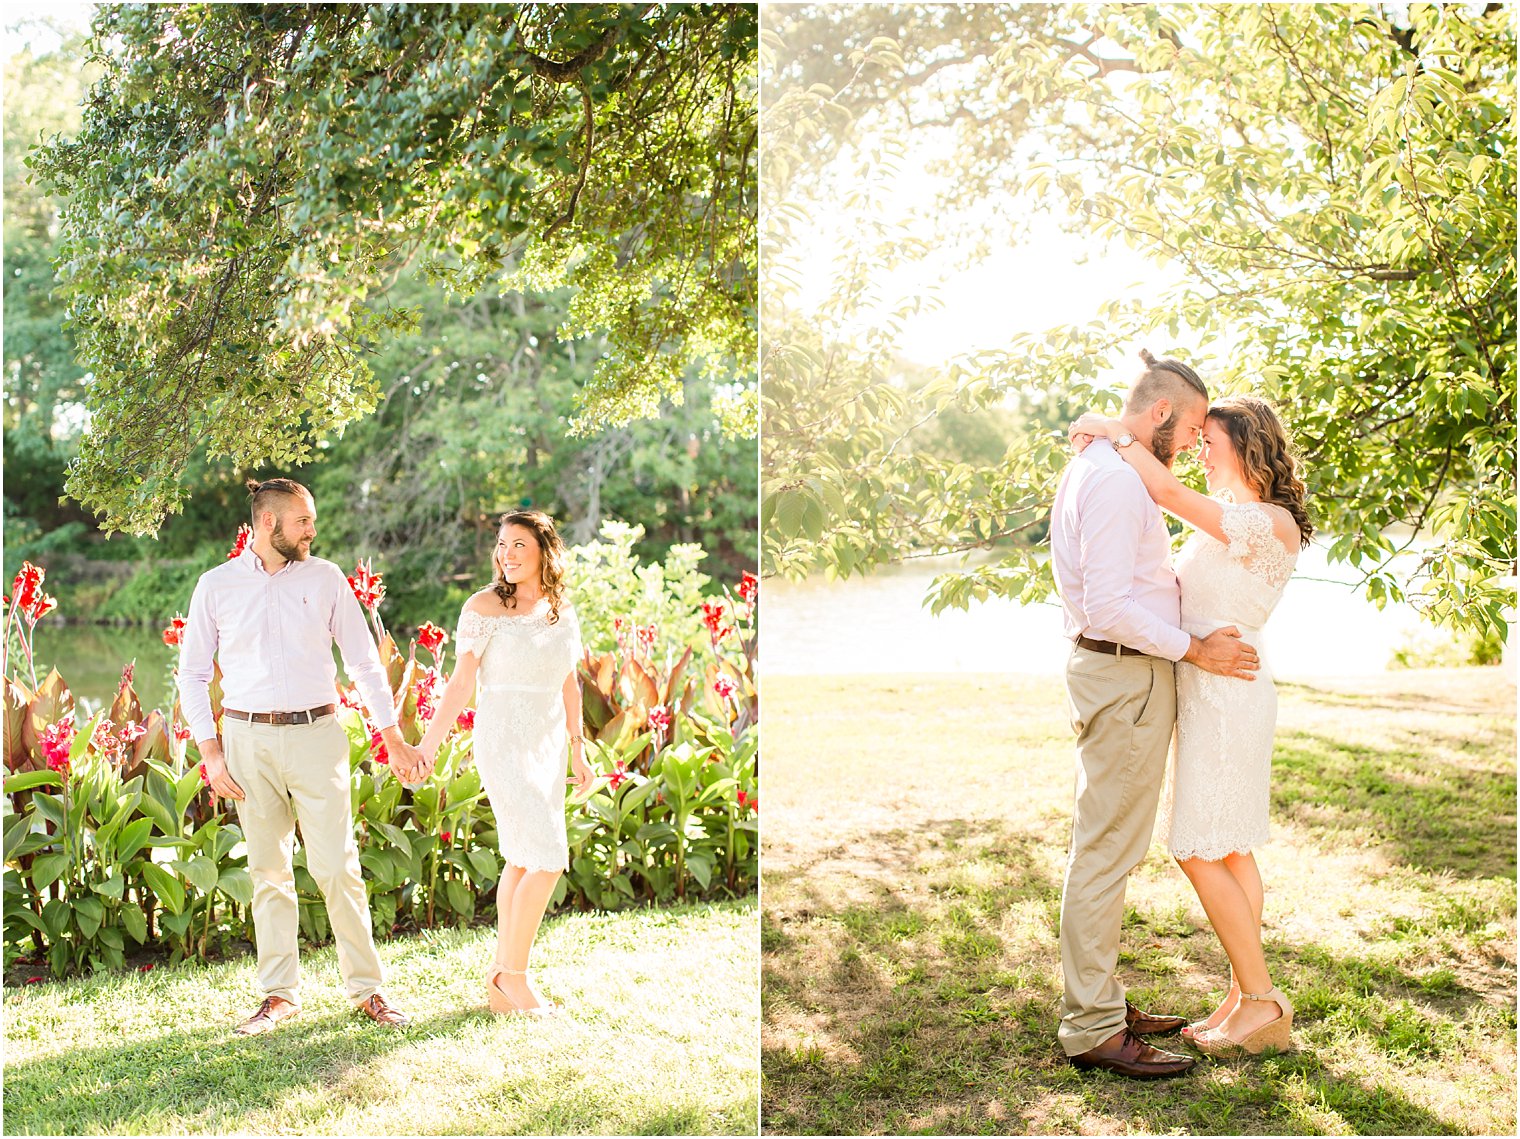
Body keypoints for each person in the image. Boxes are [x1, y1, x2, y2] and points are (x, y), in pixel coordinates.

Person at [1070, 390, 1311, 1058]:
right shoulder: (1233, 517)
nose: (1199, 447)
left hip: (1230, 695)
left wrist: (1118, 435)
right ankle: (1241, 1000)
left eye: (1210, 438)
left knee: (1199, 845)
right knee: (1230, 847)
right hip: (1209, 688)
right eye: (1197, 437)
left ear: (1246, 443)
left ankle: (1262, 1001)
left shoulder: (1268, 521)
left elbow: (1169, 495)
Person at [1047, 351, 1261, 1079]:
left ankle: (1098, 1000)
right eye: (1195, 425)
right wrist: (1194, 649)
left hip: (1121, 674)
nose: (1195, 442)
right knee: (1107, 852)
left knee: (1106, 846)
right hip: (1126, 676)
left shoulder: (1105, 466)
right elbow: (1109, 605)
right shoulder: (1110, 479)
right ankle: (1095, 1026)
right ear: (1163, 413)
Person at [180, 478, 422, 1035]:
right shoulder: (215, 586)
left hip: (318, 735)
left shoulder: (327, 578)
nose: (312, 530)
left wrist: (390, 735)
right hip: (246, 741)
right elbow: (192, 673)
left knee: (338, 866)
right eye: (302, 521)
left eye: (311, 520)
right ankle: (279, 996)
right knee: (269, 872)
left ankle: (368, 991)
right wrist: (211, 752)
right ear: (268, 523)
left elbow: (363, 662)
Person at [418, 510, 596, 1016]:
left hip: (546, 745)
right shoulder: (483, 606)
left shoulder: (561, 609)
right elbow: (459, 684)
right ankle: (511, 978)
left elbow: (569, 682)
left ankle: (504, 984)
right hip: (502, 740)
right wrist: (429, 746)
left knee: (523, 858)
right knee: (548, 857)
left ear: (544, 550)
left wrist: (578, 749)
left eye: (518, 544)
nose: (507, 554)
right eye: (502, 544)